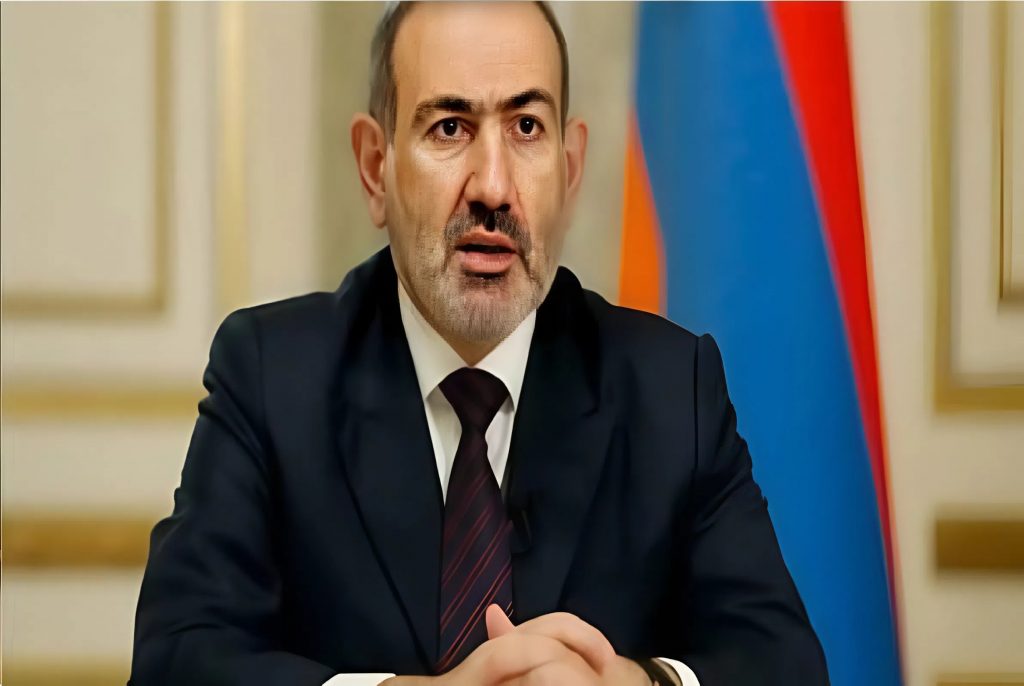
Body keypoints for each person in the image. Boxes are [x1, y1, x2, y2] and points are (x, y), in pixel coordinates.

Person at [129, 3, 828, 685]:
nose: (493, 187)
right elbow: (177, 660)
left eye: (526, 127)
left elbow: (786, 666)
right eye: (450, 127)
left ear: (570, 168)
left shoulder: (673, 389)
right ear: (375, 167)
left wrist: (635, 684)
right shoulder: (271, 376)